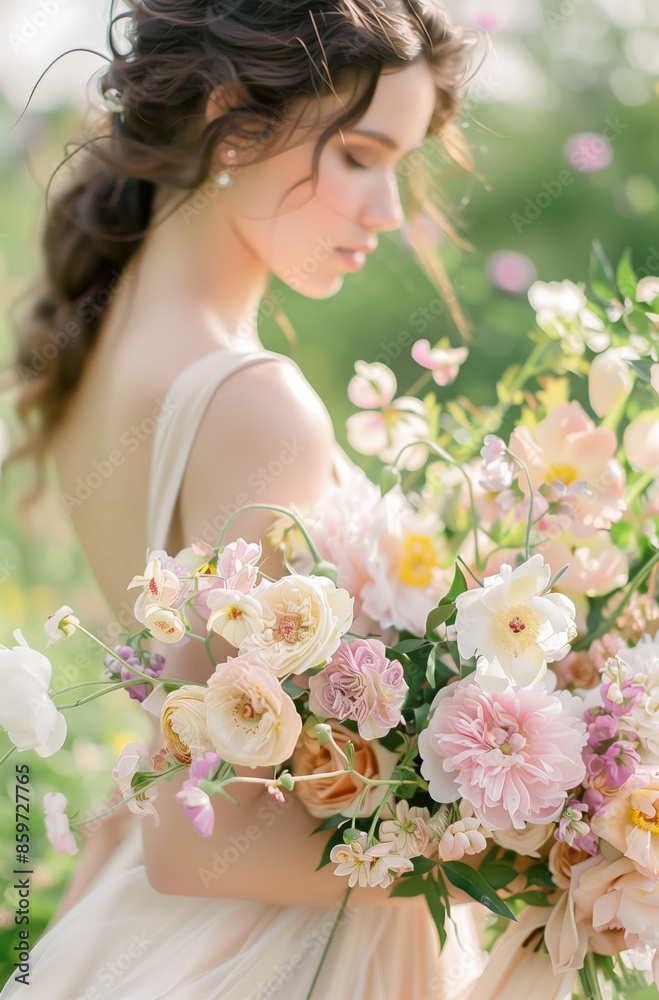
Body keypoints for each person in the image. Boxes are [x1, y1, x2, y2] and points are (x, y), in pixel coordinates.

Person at [2, 1, 485, 996]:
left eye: (399, 165)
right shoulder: (248, 402)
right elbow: (198, 827)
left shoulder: (114, 344)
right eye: (358, 154)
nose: (389, 211)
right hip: (270, 953)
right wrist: (523, 846)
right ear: (234, 121)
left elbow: (167, 756)